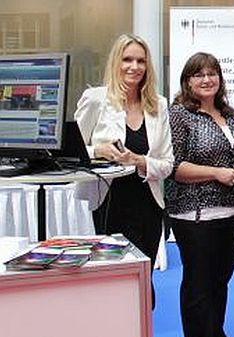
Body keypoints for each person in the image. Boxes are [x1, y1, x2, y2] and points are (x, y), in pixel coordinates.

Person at [167, 52, 234, 337]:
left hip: (230, 210)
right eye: (198, 74)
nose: (206, 79)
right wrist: (217, 173)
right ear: (187, 81)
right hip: (194, 213)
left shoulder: (229, 116)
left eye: (212, 73)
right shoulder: (180, 115)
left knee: (220, 284)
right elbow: (174, 167)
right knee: (199, 286)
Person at [75, 33, 173, 309]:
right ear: (116, 62)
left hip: (149, 206)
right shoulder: (96, 99)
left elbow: (167, 163)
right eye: (127, 59)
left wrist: (139, 160)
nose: (134, 66)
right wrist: (99, 150)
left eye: (141, 60)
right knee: (114, 286)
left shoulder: (159, 105)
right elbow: (73, 151)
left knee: (144, 284)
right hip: (109, 205)